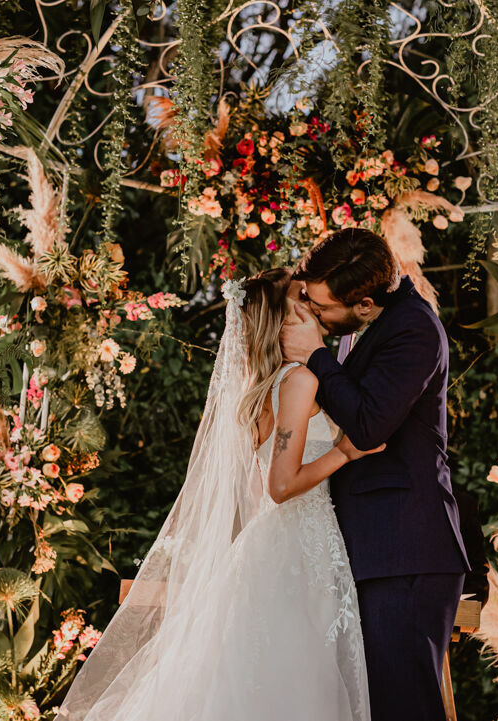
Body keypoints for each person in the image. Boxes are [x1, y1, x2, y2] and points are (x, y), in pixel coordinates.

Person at [58, 268, 378, 721]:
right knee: (293, 681)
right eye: (300, 301)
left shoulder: (263, 386)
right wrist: (345, 452)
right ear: (281, 320)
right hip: (294, 551)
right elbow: (281, 486)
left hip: (280, 546)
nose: (311, 306)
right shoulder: (300, 382)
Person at [281, 227, 471, 721]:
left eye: (322, 309)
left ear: (364, 304)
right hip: (370, 549)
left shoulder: (414, 329)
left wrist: (314, 357)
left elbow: (367, 427)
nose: (315, 317)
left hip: (402, 549)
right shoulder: (363, 326)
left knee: (404, 706)